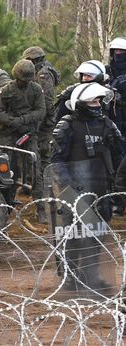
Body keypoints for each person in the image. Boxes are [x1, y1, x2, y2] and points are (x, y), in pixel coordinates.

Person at [51, 82, 121, 294]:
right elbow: (56, 160)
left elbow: (120, 154)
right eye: (93, 101)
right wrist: (68, 185)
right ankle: (71, 277)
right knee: (73, 236)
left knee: (97, 235)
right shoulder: (67, 124)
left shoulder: (107, 123)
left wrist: (116, 144)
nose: (97, 104)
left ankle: (92, 276)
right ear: (80, 103)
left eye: (99, 100)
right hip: (75, 190)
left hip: (101, 189)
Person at [0, 59, 46, 216]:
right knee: (8, 168)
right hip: (9, 134)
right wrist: (13, 122)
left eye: (27, 80)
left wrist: (23, 121)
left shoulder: (36, 90)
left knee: (35, 168)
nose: (24, 82)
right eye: (22, 79)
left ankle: (41, 208)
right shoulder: (7, 90)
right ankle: (6, 205)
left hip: (29, 133)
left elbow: (41, 111)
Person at [23, 46, 61, 222]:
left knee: (42, 166)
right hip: (38, 126)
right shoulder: (42, 72)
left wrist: (35, 127)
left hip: (42, 128)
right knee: (36, 165)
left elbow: (46, 103)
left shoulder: (43, 74)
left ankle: (45, 208)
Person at [107, 37, 126, 151]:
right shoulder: (106, 70)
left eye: (121, 51)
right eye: (115, 51)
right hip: (110, 113)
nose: (118, 53)